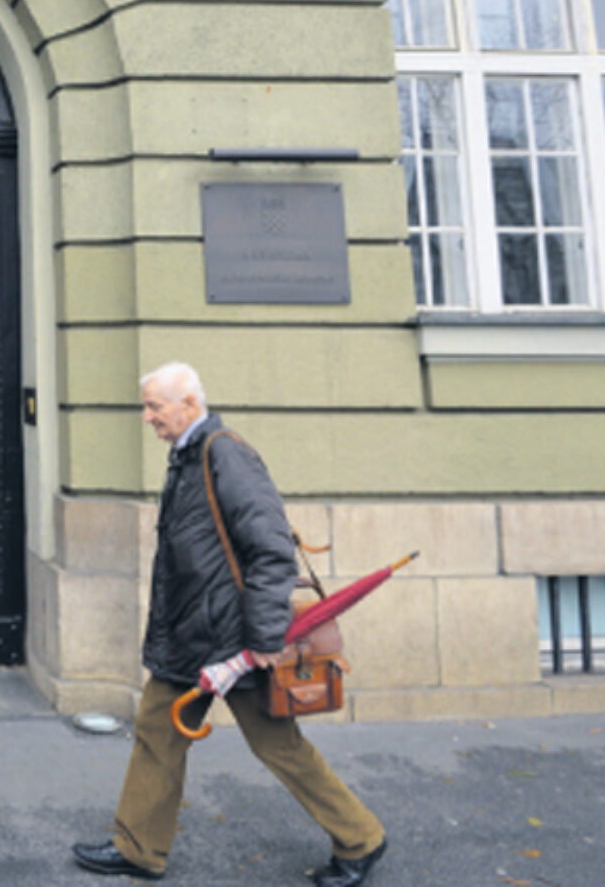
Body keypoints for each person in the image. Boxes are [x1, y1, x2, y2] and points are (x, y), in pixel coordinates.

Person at [72, 361, 387, 887]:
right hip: (191, 638)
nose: (147, 417)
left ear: (189, 404)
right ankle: (138, 848)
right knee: (157, 729)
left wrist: (263, 638)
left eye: (155, 406)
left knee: (278, 745)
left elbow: (271, 550)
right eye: (146, 406)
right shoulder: (189, 455)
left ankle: (361, 839)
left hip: (234, 641)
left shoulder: (225, 453)